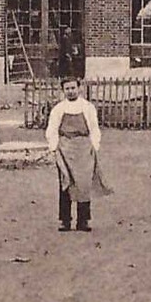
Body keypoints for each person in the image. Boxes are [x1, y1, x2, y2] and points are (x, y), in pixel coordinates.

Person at [45, 79, 111, 232]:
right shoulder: (58, 109)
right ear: (63, 90)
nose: (71, 91)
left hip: (83, 149)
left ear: (79, 88)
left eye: (73, 88)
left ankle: (83, 220)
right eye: (67, 88)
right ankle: (65, 220)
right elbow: (52, 129)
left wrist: (94, 145)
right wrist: (54, 148)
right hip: (65, 148)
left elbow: (94, 128)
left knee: (84, 185)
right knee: (65, 183)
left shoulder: (87, 107)